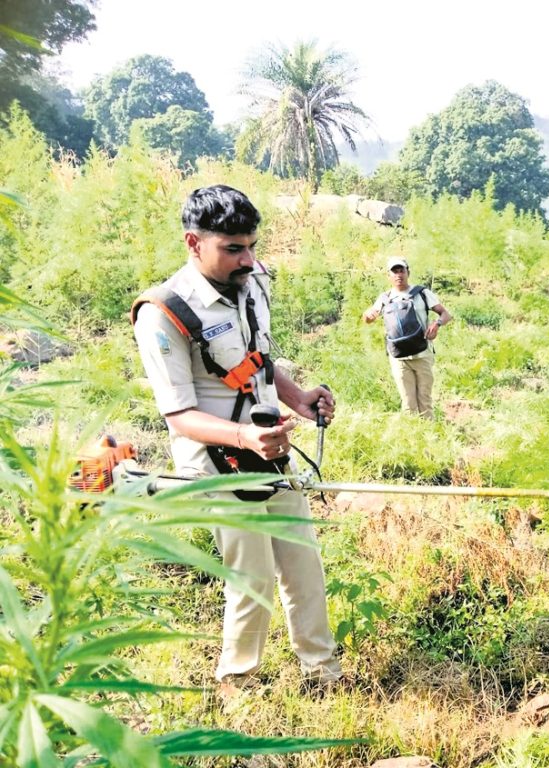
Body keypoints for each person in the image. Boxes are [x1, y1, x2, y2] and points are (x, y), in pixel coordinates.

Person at [131, 185, 341, 696]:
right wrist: (245, 436)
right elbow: (179, 414)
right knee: (253, 578)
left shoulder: (251, 283)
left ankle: (322, 673)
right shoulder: (164, 313)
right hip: (216, 464)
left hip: (271, 452)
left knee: (304, 566)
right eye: (233, 249)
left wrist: (298, 397)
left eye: (251, 246)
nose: (247, 259)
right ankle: (237, 685)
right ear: (193, 242)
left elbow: (258, 362)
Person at [362, 257, 451, 418]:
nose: (398, 275)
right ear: (388, 276)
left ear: (408, 272)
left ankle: (428, 431)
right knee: (408, 403)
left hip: (422, 354)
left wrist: (436, 324)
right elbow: (368, 318)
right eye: (394, 272)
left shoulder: (422, 293)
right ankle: (412, 432)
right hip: (399, 358)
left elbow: (445, 314)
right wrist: (368, 316)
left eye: (401, 270)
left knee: (425, 400)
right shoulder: (384, 298)